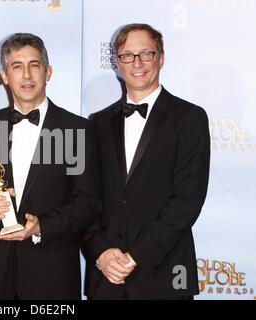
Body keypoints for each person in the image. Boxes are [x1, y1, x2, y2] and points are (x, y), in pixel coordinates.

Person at [0, 33, 101, 299]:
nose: (26, 75)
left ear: (48, 72)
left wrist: (42, 226)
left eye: (34, 65)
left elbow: (88, 201)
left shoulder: (77, 130)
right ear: (4, 76)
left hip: (54, 276)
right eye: (17, 66)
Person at [85, 23, 210, 300]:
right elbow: (86, 197)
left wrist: (137, 256)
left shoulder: (189, 118)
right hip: (107, 277)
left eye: (146, 53)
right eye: (127, 55)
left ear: (161, 58)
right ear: (117, 63)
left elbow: (188, 199)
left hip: (165, 275)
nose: (137, 63)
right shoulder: (98, 123)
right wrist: (101, 252)